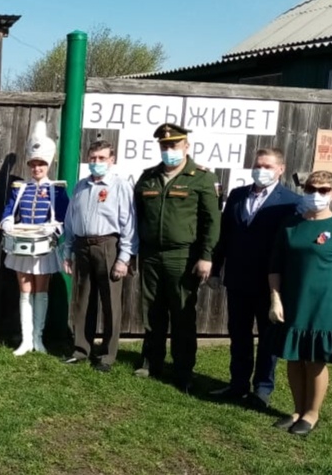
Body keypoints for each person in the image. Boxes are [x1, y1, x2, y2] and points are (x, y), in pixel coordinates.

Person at [268, 170, 332, 436]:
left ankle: (312, 413)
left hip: (324, 303)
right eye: (311, 189)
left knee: (315, 359)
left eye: (323, 190)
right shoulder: (290, 224)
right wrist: (275, 299)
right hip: (293, 300)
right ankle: (297, 409)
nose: (316, 195)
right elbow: (274, 266)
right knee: (294, 358)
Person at [209, 147, 300, 407]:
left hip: (270, 284)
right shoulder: (238, 196)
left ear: (280, 170)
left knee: (268, 338)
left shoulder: (289, 202)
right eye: (258, 165)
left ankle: (262, 389)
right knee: (239, 334)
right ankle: (237, 384)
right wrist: (217, 270)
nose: (262, 170)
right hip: (237, 279)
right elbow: (224, 237)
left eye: (268, 166)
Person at [133, 123, 220, 392]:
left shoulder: (201, 177)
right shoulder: (148, 177)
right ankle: (152, 361)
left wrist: (206, 255)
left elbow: (211, 220)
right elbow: (136, 215)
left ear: (186, 146)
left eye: (174, 145)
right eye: (164, 145)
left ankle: (183, 369)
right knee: (152, 311)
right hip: (150, 255)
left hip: (182, 256)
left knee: (182, 315)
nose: (169, 149)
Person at [61, 140, 136, 371]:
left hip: (108, 245)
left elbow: (129, 223)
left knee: (110, 302)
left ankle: (107, 355)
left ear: (111, 160)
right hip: (82, 246)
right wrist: (67, 250)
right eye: (92, 158)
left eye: (101, 158)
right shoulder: (81, 186)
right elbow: (70, 220)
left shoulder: (120, 186)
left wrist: (124, 258)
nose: (96, 163)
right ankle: (81, 349)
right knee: (82, 300)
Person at [1, 120, 70, 356]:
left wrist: (53, 229)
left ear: (48, 164)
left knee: (41, 291)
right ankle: (25, 340)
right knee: (24, 290)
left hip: (44, 246)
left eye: (41, 164)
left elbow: (64, 219)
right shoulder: (20, 188)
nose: (37, 168)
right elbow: (8, 211)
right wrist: (8, 222)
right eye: (34, 164)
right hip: (22, 244)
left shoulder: (57, 189)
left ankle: (38, 339)